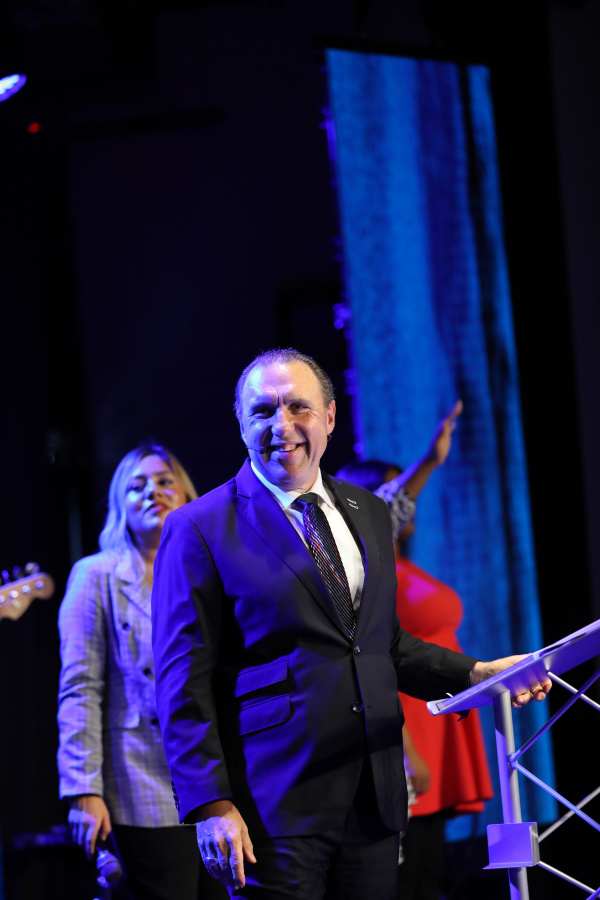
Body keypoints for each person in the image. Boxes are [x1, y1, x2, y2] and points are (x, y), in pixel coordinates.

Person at [150, 349, 550, 900]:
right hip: (273, 807)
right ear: (241, 424)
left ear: (330, 417)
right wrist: (211, 805)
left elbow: (382, 645)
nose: (281, 426)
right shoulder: (199, 527)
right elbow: (182, 681)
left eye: (298, 407)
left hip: (374, 799)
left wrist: (477, 672)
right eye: (263, 411)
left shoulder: (368, 511)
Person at [57, 443, 227, 900]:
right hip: (139, 781)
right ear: (120, 506)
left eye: (164, 481)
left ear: (186, 493)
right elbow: (79, 688)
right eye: (137, 486)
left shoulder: (213, 570)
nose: (153, 491)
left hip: (217, 779)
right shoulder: (96, 575)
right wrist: (83, 789)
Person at [336, 449, 494, 900]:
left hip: (439, 728)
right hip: (407, 728)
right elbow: (373, 661)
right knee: (407, 874)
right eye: (396, 489)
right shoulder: (357, 561)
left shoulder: (395, 564)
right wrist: (429, 461)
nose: (411, 503)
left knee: (429, 870)